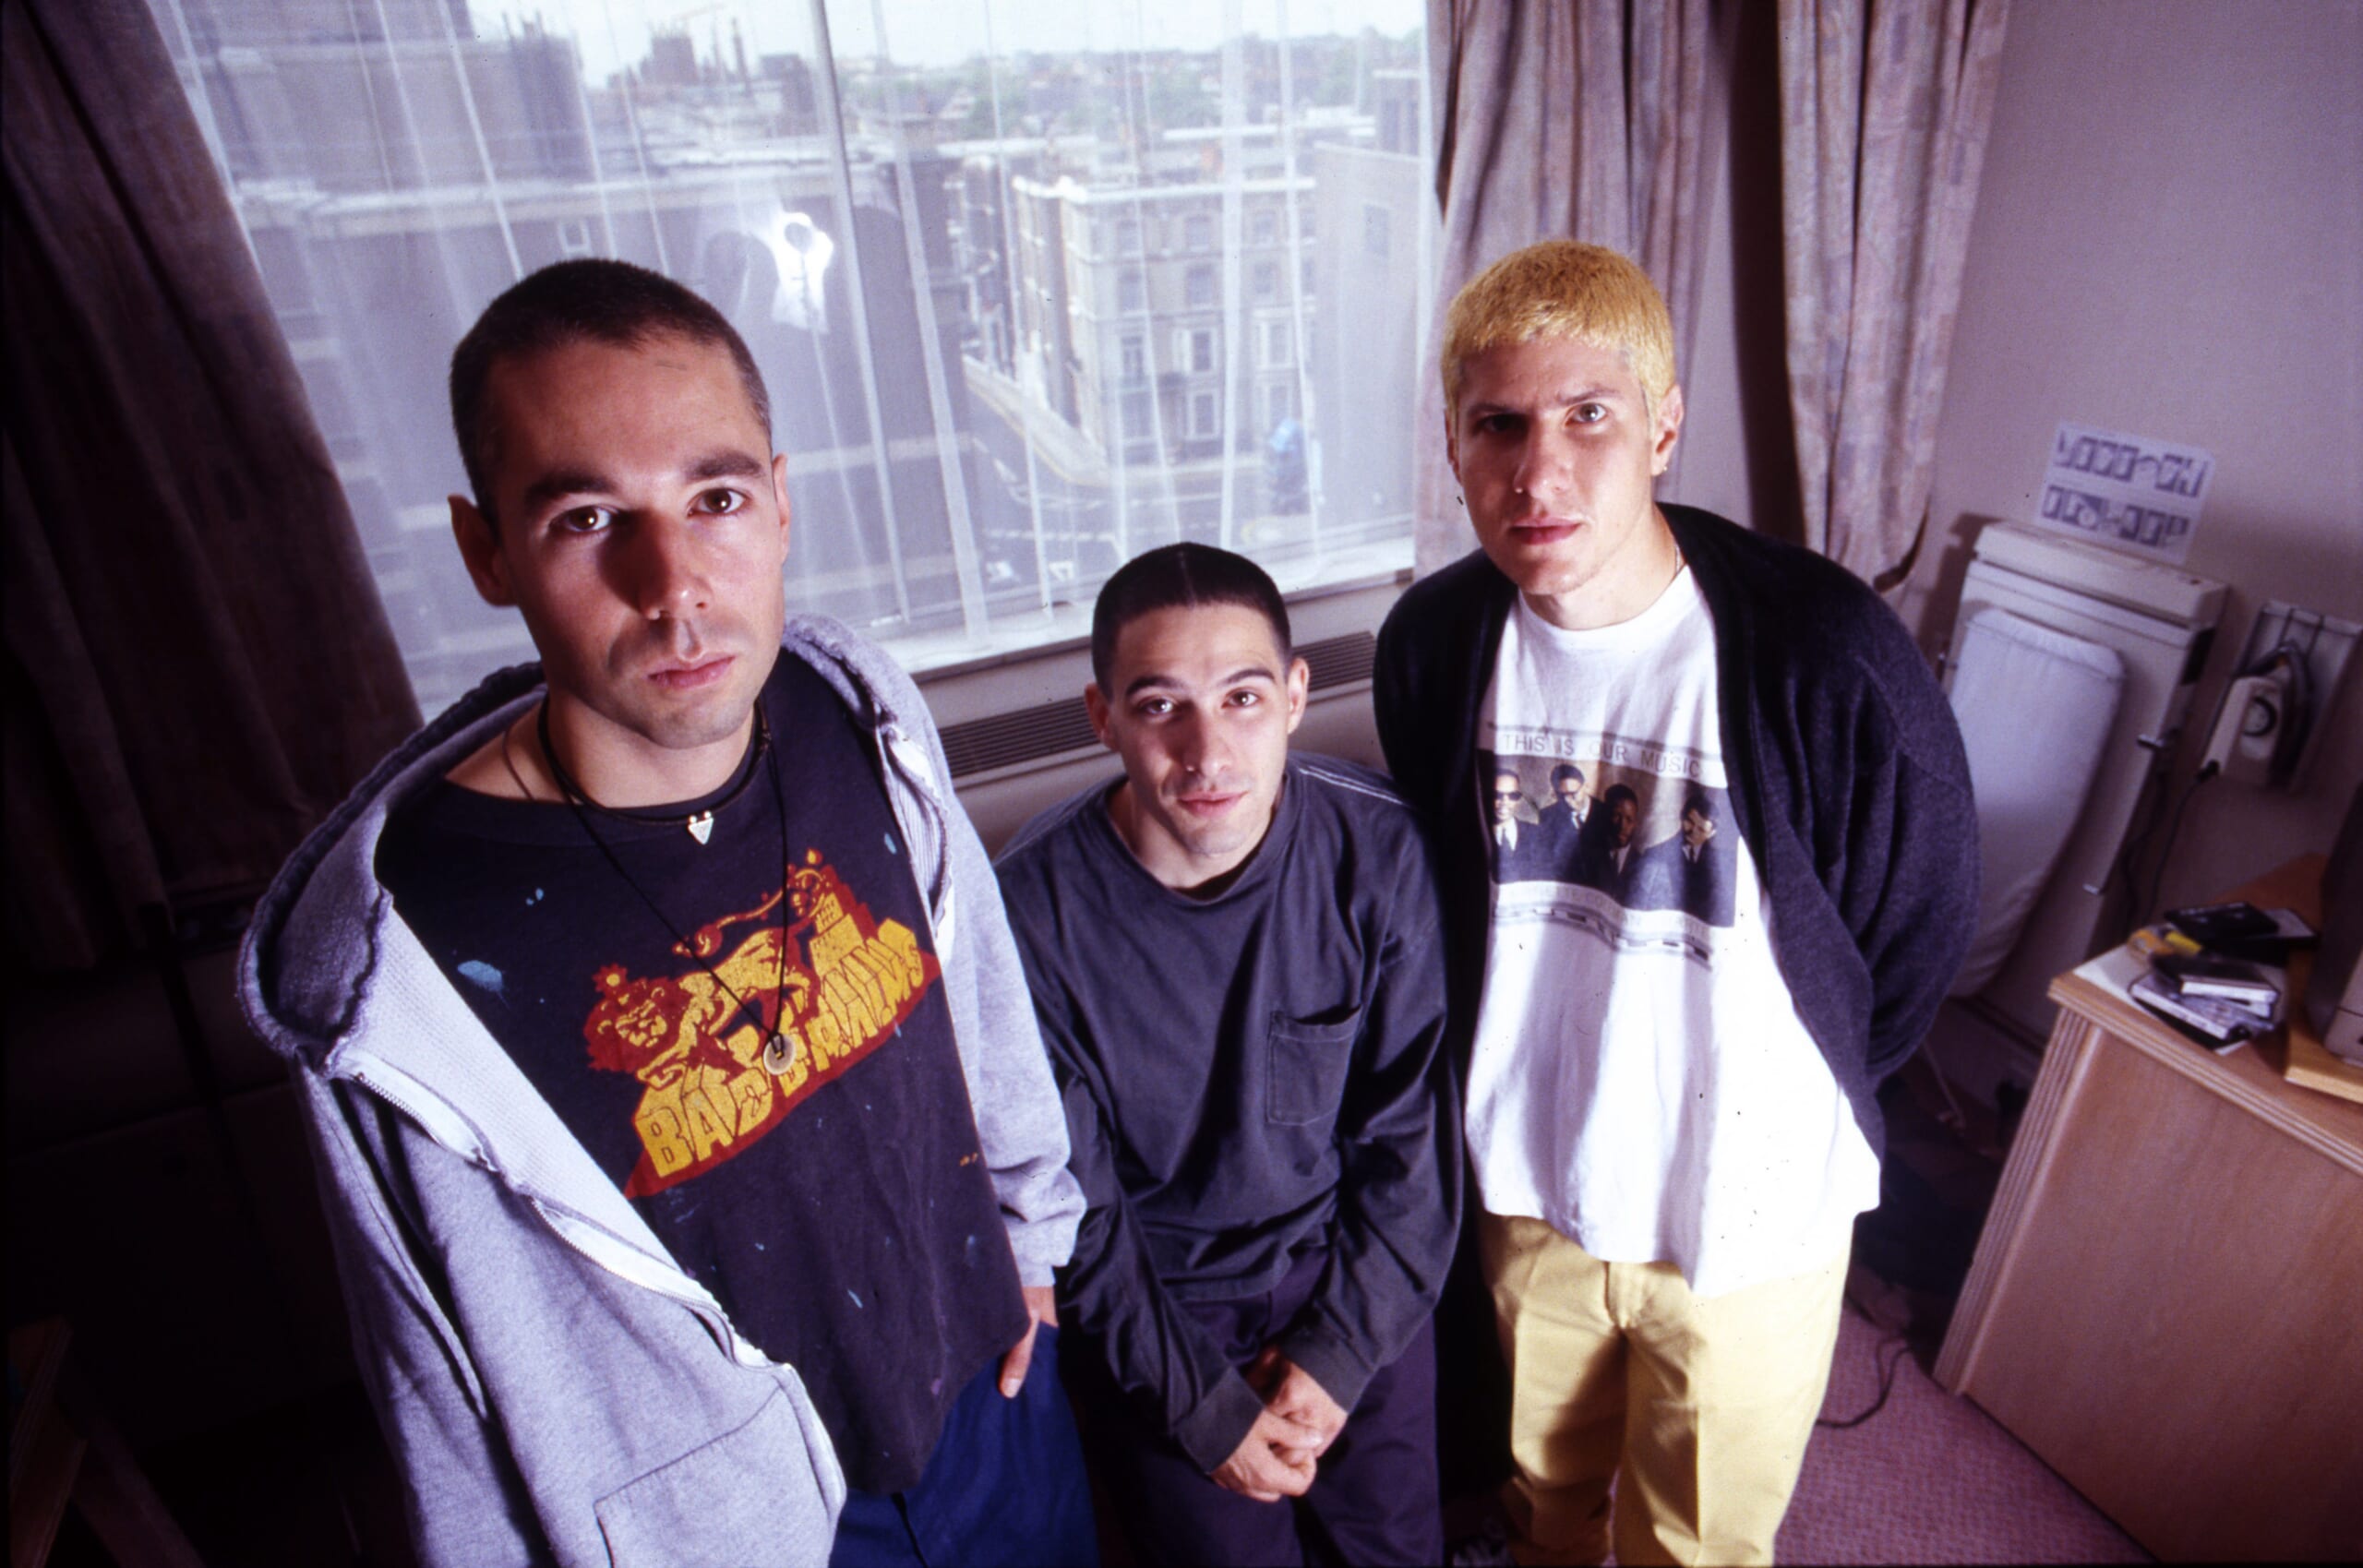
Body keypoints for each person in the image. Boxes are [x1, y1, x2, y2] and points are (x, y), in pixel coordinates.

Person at [238, 259, 1095, 1568]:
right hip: (727, 1529)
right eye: (589, 518)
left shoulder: (855, 712)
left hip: (999, 1393)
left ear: (782, 499)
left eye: (717, 497)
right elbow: (439, 1384)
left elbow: (979, 1015)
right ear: (487, 549)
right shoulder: (398, 966)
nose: (675, 582)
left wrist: (1030, 1244)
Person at [1373, 240, 1976, 1565]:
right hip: (1532, 1172)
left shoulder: (1823, 655)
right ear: (1458, 443)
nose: (1539, 470)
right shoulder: (1432, 645)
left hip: (1749, 1209)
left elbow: (1915, 930)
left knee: (1693, 1541)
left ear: (1662, 423)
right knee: (1544, 1503)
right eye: (1499, 423)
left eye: (1588, 413)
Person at [997, 545, 1460, 1567]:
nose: (1207, 753)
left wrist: (1337, 1356)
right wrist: (1202, 1412)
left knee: (1395, 1548)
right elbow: (1077, 1208)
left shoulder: (1379, 851)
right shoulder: (1026, 914)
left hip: (1345, 1268)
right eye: (1160, 706)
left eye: (1242, 697)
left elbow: (1411, 1153)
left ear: (1295, 696)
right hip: (1161, 1309)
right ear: (1101, 715)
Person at [1490, 766, 1558, 882]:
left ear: (1519, 798)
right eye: (1498, 795)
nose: (1504, 802)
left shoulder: (1538, 835)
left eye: (1513, 796)